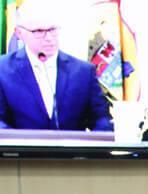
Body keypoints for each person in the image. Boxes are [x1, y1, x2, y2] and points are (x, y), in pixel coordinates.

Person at [0, 1, 113, 131]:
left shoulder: (83, 72)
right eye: (39, 31)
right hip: (19, 144)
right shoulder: (3, 70)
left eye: (53, 30)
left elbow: (101, 119)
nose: (49, 38)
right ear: (19, 33)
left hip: (72, 144)